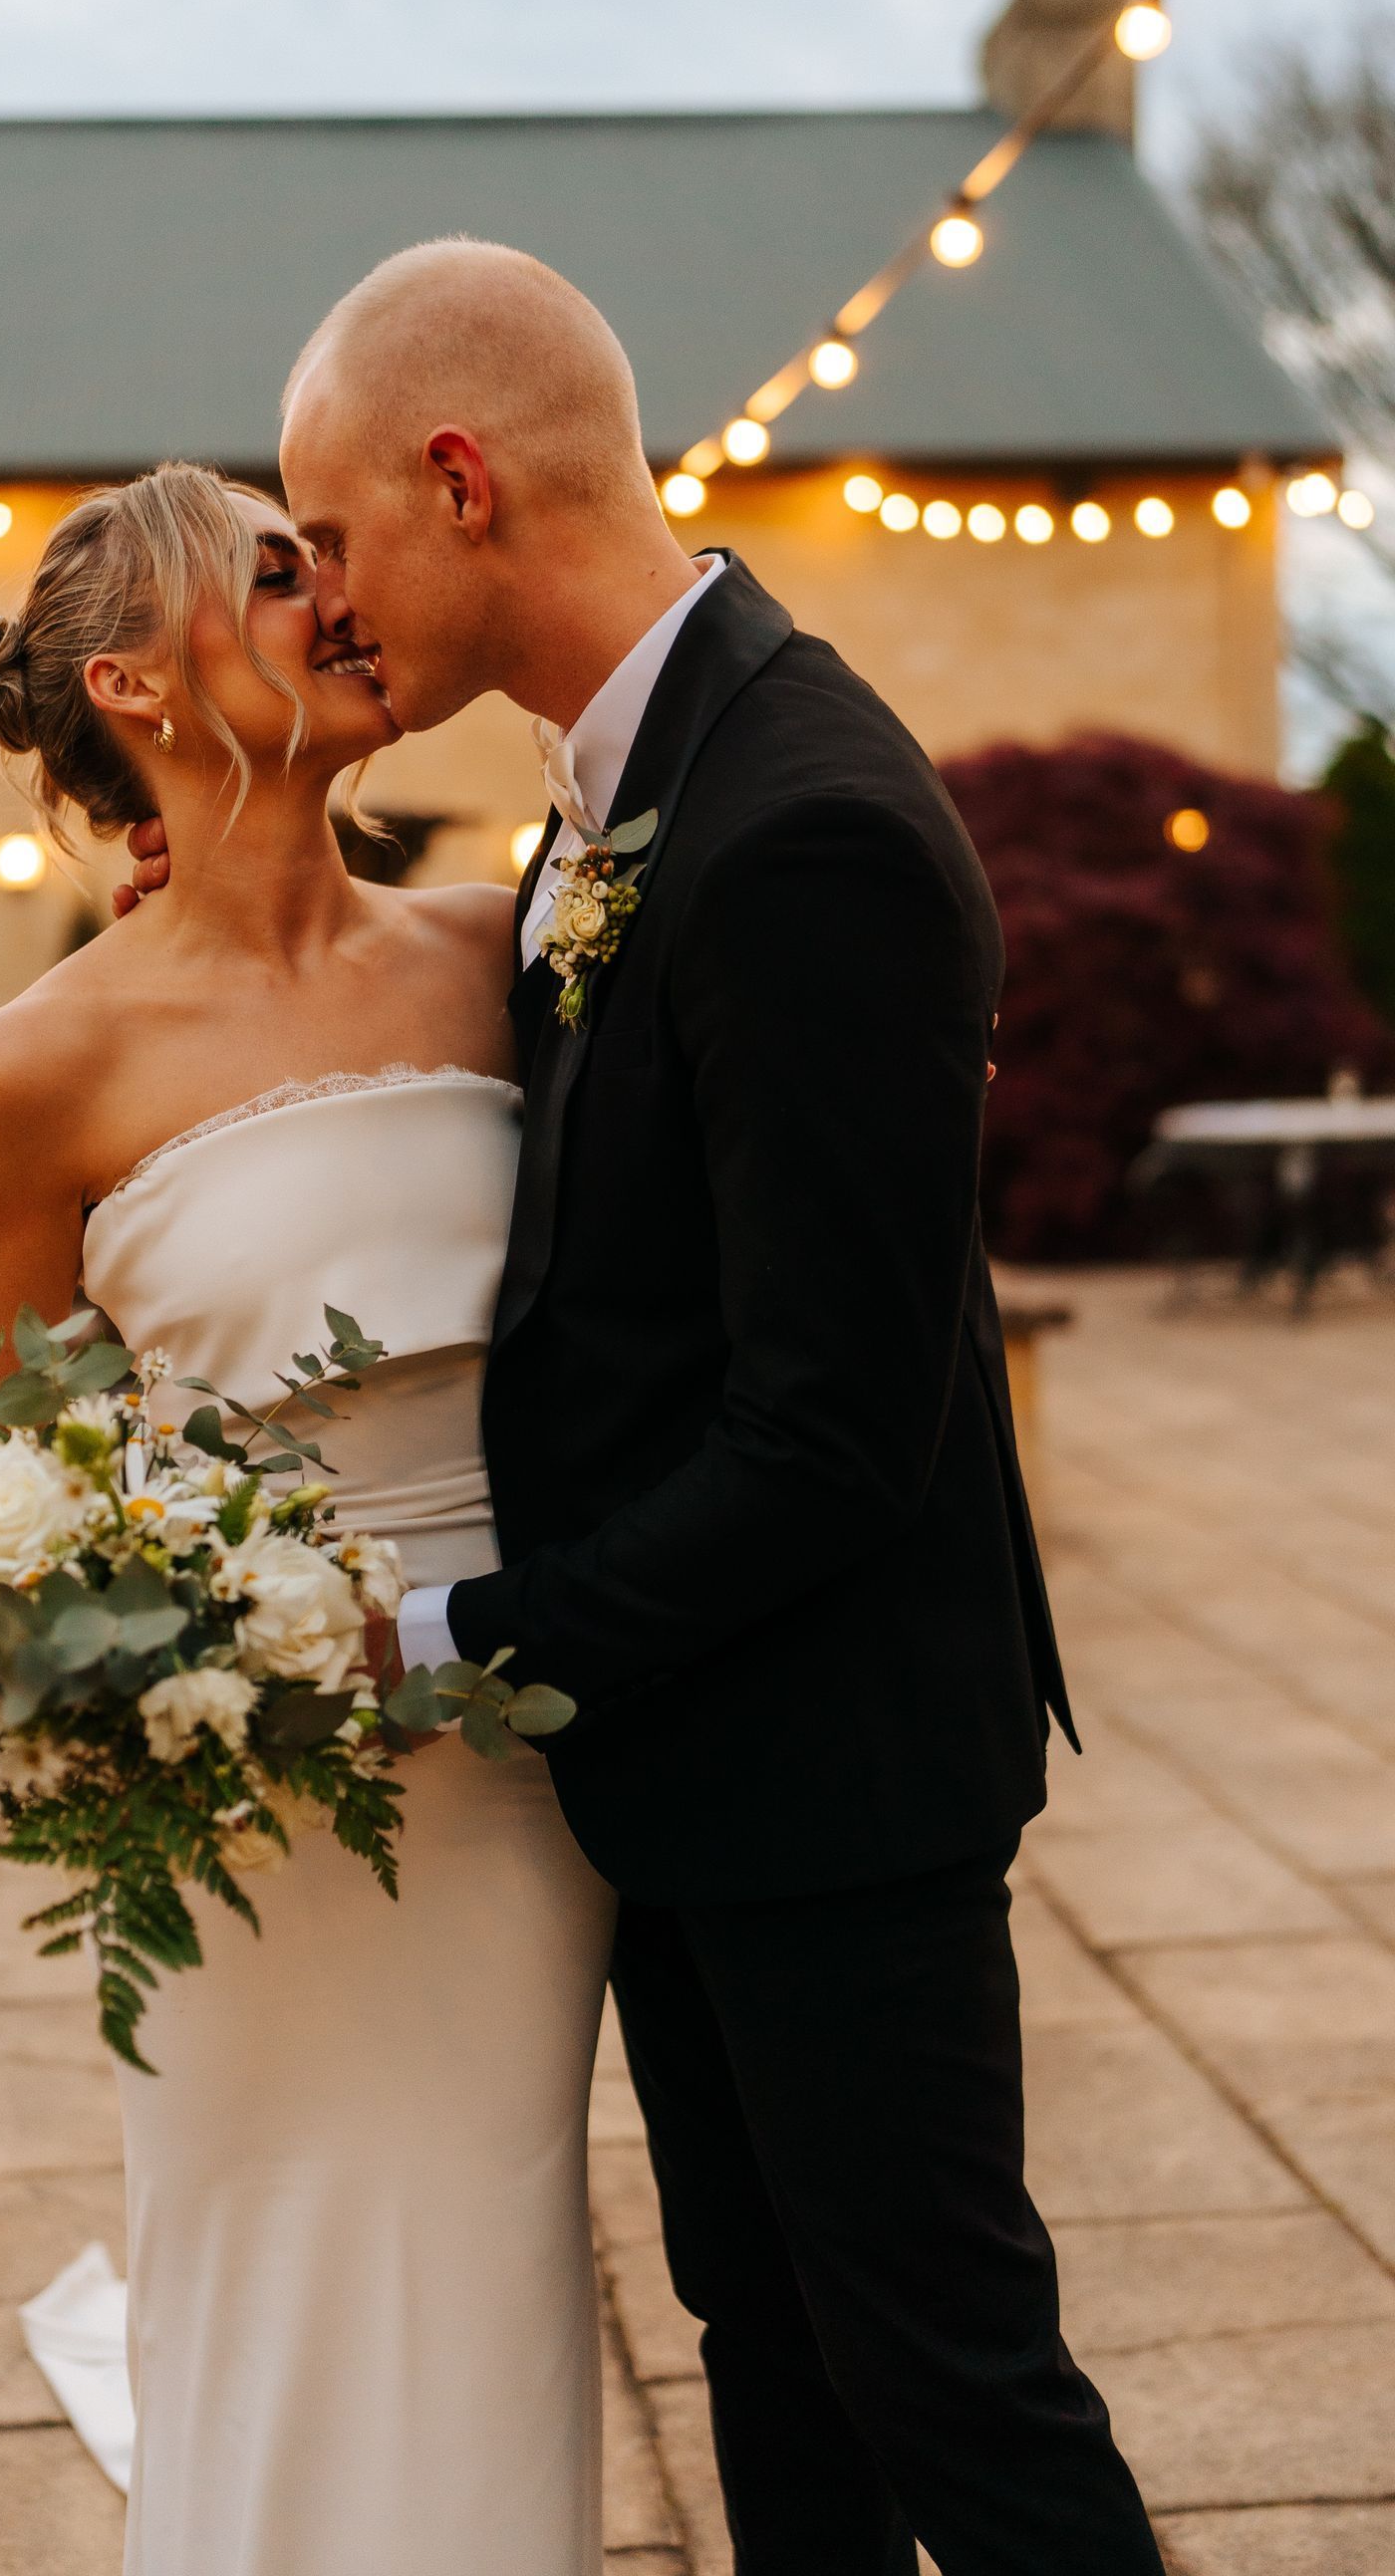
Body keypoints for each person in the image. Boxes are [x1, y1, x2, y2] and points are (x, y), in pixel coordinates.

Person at [115, 241, 1165, 2573]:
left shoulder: (799, 824)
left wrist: (451, 1635)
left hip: (834, 1778)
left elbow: (837, 1429)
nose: (326, 600)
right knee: (778, 2365)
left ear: (462, 478)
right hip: (697, 1766)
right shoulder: (617, 791)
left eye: (338, 535)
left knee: (953, 2390)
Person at [0, 462, 615, 2576]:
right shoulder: (35, 1070)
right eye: (275, 568)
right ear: (136, 678)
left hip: (524, 1746)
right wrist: (147, 1643)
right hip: (247, 1792)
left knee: (495, 2256)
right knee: (268, 2263)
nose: (333, 594)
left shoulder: (509, 953)